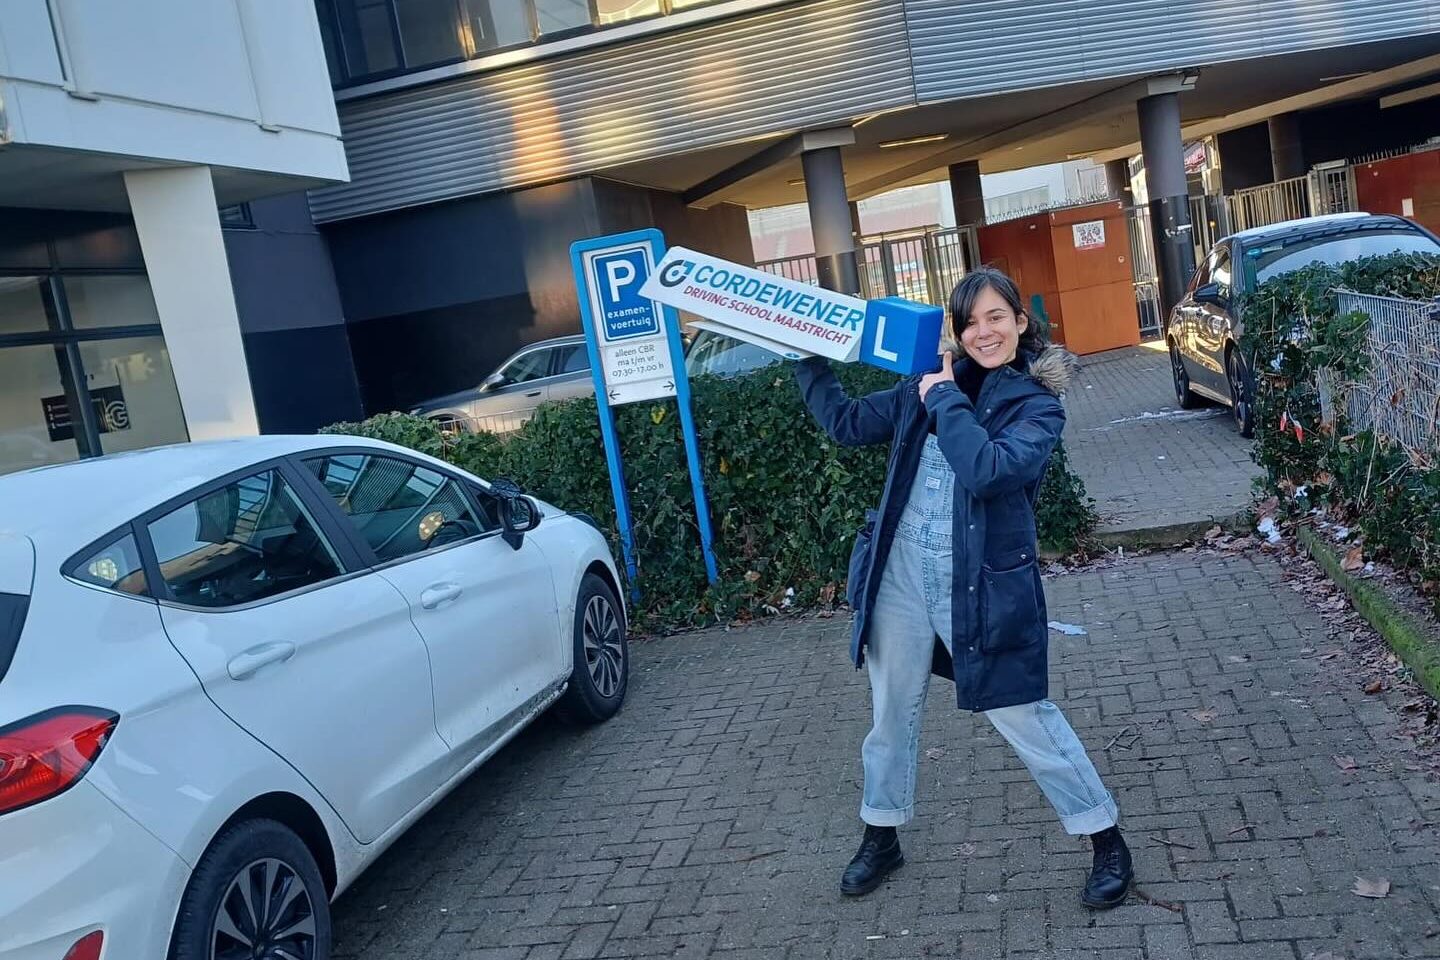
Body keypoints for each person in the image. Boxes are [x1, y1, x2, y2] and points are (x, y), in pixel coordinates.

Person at [794, 267, 1133, 909]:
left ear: (1019, 323)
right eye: (971, 321)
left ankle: (1103, 836)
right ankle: (881, 833)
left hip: (978, 586)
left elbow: (987, 469)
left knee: (1023, 714)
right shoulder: (922, 388)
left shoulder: (1036, 404)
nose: (984, 332)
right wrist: (806, 349)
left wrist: (943, 395)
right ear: (956, 328)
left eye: (996, 317)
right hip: (899, 574)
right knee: (890, 711)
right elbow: (843, 422)